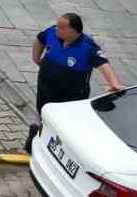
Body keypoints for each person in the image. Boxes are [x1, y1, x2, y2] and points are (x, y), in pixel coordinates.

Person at [27, 12, 123, 150]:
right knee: (41, 113)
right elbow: (40, 39)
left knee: (63, 125)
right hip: (46, 87)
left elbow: (104, 64)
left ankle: (57, 148)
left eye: (60, 27)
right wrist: (36, 57)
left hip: (71, 96)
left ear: (72, 31)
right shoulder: (52, 33)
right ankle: (34, 141)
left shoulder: (88, 47)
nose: (56, 29)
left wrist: (114, 83)